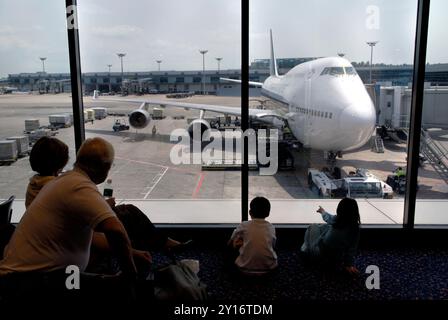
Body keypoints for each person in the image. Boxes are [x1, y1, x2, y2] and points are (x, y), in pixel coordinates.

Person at [0, 138, 142, 301]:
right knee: (116, 291)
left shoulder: (64, 181)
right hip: (33, 283)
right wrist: (130, 273)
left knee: (106, 283)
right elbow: (115, 230)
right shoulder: (78, 186)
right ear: (105, 167)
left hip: (38, 277)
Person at [24, 137, 186, 254]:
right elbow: (86, 221)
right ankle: (156, 245)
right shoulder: (57, 186)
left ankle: (161, 243)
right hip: (70, 239)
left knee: (127, 212)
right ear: (60, 162)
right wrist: (105, 207)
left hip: (63, 234)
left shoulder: (37, 183)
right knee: (128, 214)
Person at [300, 197, 360, 275]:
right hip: (337, 259)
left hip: (319, 253)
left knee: (312, 226)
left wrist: (323, 212)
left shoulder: (337, 220)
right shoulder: (355, 228)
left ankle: (307, 250)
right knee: (326, 227)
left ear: (339, 209)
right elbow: (352, 249)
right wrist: (348, 264)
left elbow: (328, 218)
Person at [227, 197, 277, 275]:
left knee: (235, 244)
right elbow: (273, 246)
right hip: (268, 268)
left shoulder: (244, 225)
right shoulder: (271, 227)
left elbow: (230, 242)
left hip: (244, 268)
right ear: (268, 213)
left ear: (250, 212)